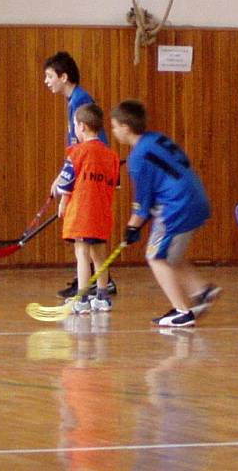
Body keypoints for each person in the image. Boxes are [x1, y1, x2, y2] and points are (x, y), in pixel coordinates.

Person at [111, 99, 220, 327]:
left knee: (155, 257)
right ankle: (202, 291)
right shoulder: (156, 138)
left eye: (114, 126)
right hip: (195, 197)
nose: (113, 131)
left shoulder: (137, 158)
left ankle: (183, 312)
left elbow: (143, 200)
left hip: (175, 207)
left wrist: (132, 226)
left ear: (126, 127)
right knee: (172, 256)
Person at [43, 51, 118, 299]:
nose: (46, 81)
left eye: (49, 76)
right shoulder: (74, 99)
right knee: (92, 240)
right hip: (87, 169)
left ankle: (89, 288)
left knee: (85, 239)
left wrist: (63, 182)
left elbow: (81, 147)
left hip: (88, 175)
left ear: (64, 77)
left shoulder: (80, 101)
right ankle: (96, 284)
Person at [55, 104, 121, 314]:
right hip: (101, 211)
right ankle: (102, 296)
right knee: (99, 253)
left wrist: (63, 203)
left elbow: (65, 184)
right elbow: (115, 184)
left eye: (74, 125)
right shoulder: (111, 156)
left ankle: (82, 299)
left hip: (82, 212)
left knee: (82, 253)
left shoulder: (76, 153)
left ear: (82, 127)